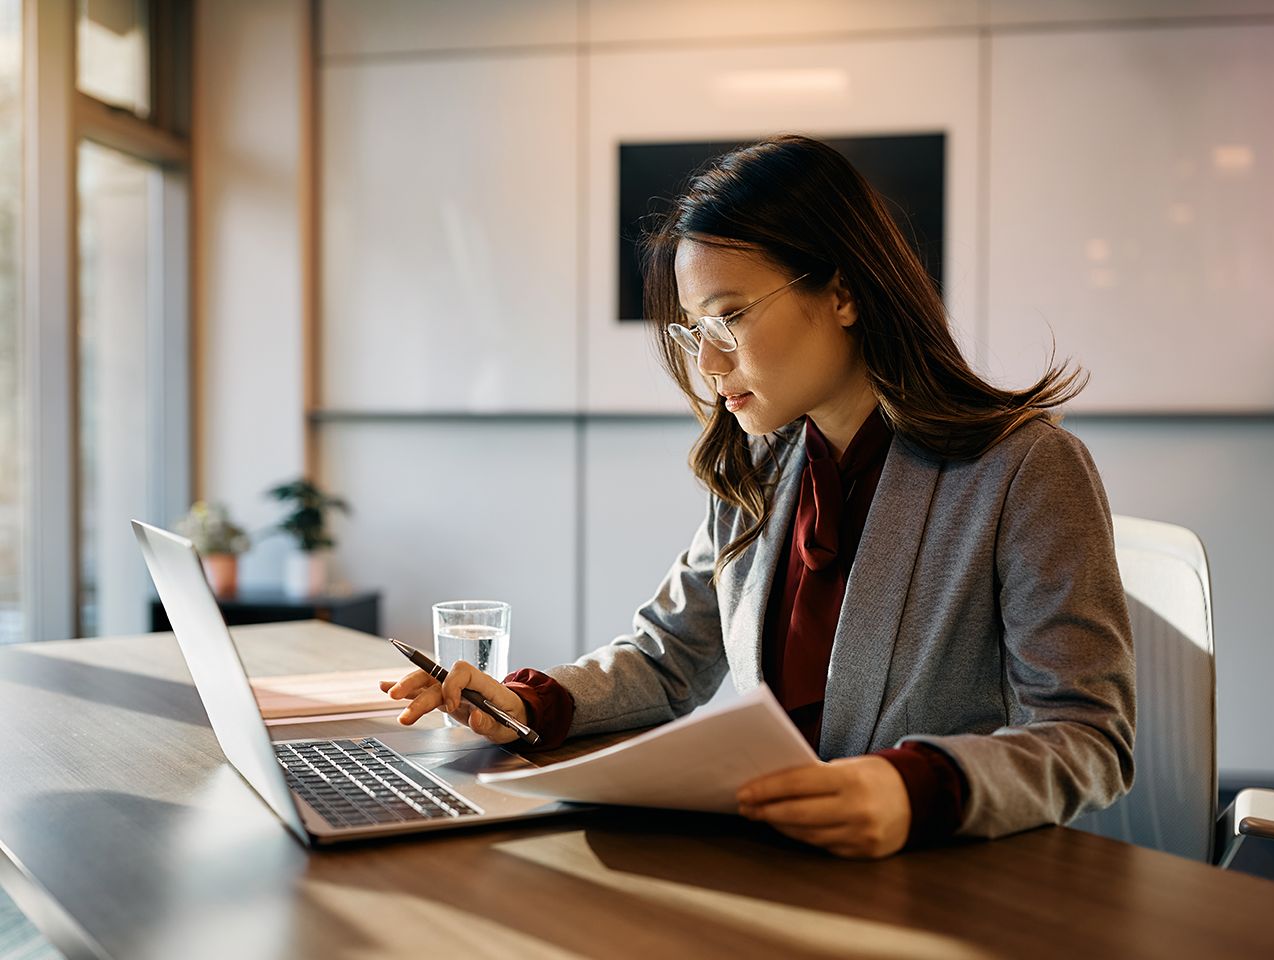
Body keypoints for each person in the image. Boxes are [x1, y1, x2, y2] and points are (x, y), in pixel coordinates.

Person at [382, 134, 1135, 859]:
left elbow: (1088, 735)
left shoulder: (1026, 470)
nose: (708, 361)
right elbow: (669, 658)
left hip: (947, 878)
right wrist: (524, 706)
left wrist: (914, 788)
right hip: (783, 862)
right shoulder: (761, 464)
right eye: (694, 330)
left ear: (842, 292)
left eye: (731, 317)